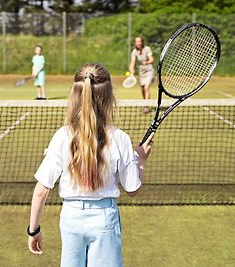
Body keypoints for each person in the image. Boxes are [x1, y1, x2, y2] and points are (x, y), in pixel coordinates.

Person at [27, 63, 154, 267]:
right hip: (105, 219)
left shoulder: (62, 136)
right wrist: (140, 160)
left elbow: (42, 189)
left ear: (75, 95)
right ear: (109, 97)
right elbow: (132, 189)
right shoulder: (120, 138)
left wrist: (33, 230)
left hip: (71, 218)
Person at [129, 36, 155, 113]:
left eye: (139, 41)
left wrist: (146, 62)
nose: (138, 43)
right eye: (137, 42)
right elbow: (132, 62)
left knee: (146, 87)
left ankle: (146, 106)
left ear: (142, 42)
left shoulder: (147, 49)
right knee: (143, 88)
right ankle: (144, 103)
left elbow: (152, 59)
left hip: (149, 70)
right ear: (135, 43)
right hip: (142, 71)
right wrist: (131, 70)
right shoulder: (134, 51)